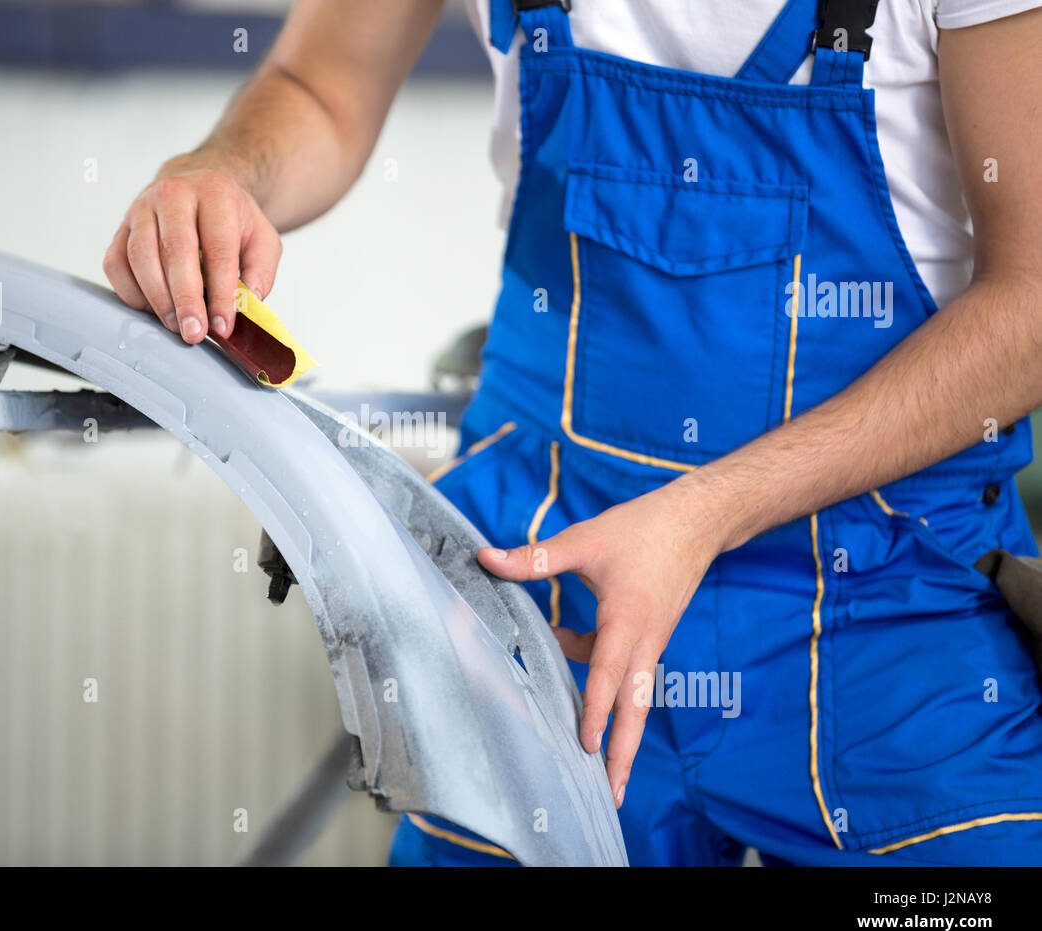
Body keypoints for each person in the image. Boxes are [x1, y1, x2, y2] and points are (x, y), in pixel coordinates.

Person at [104, 0, 1042, 865]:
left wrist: (704, 512)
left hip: (883, 607)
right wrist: (215, 177)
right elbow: (320, 88)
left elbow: (1032, 299)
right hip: (546, 587)